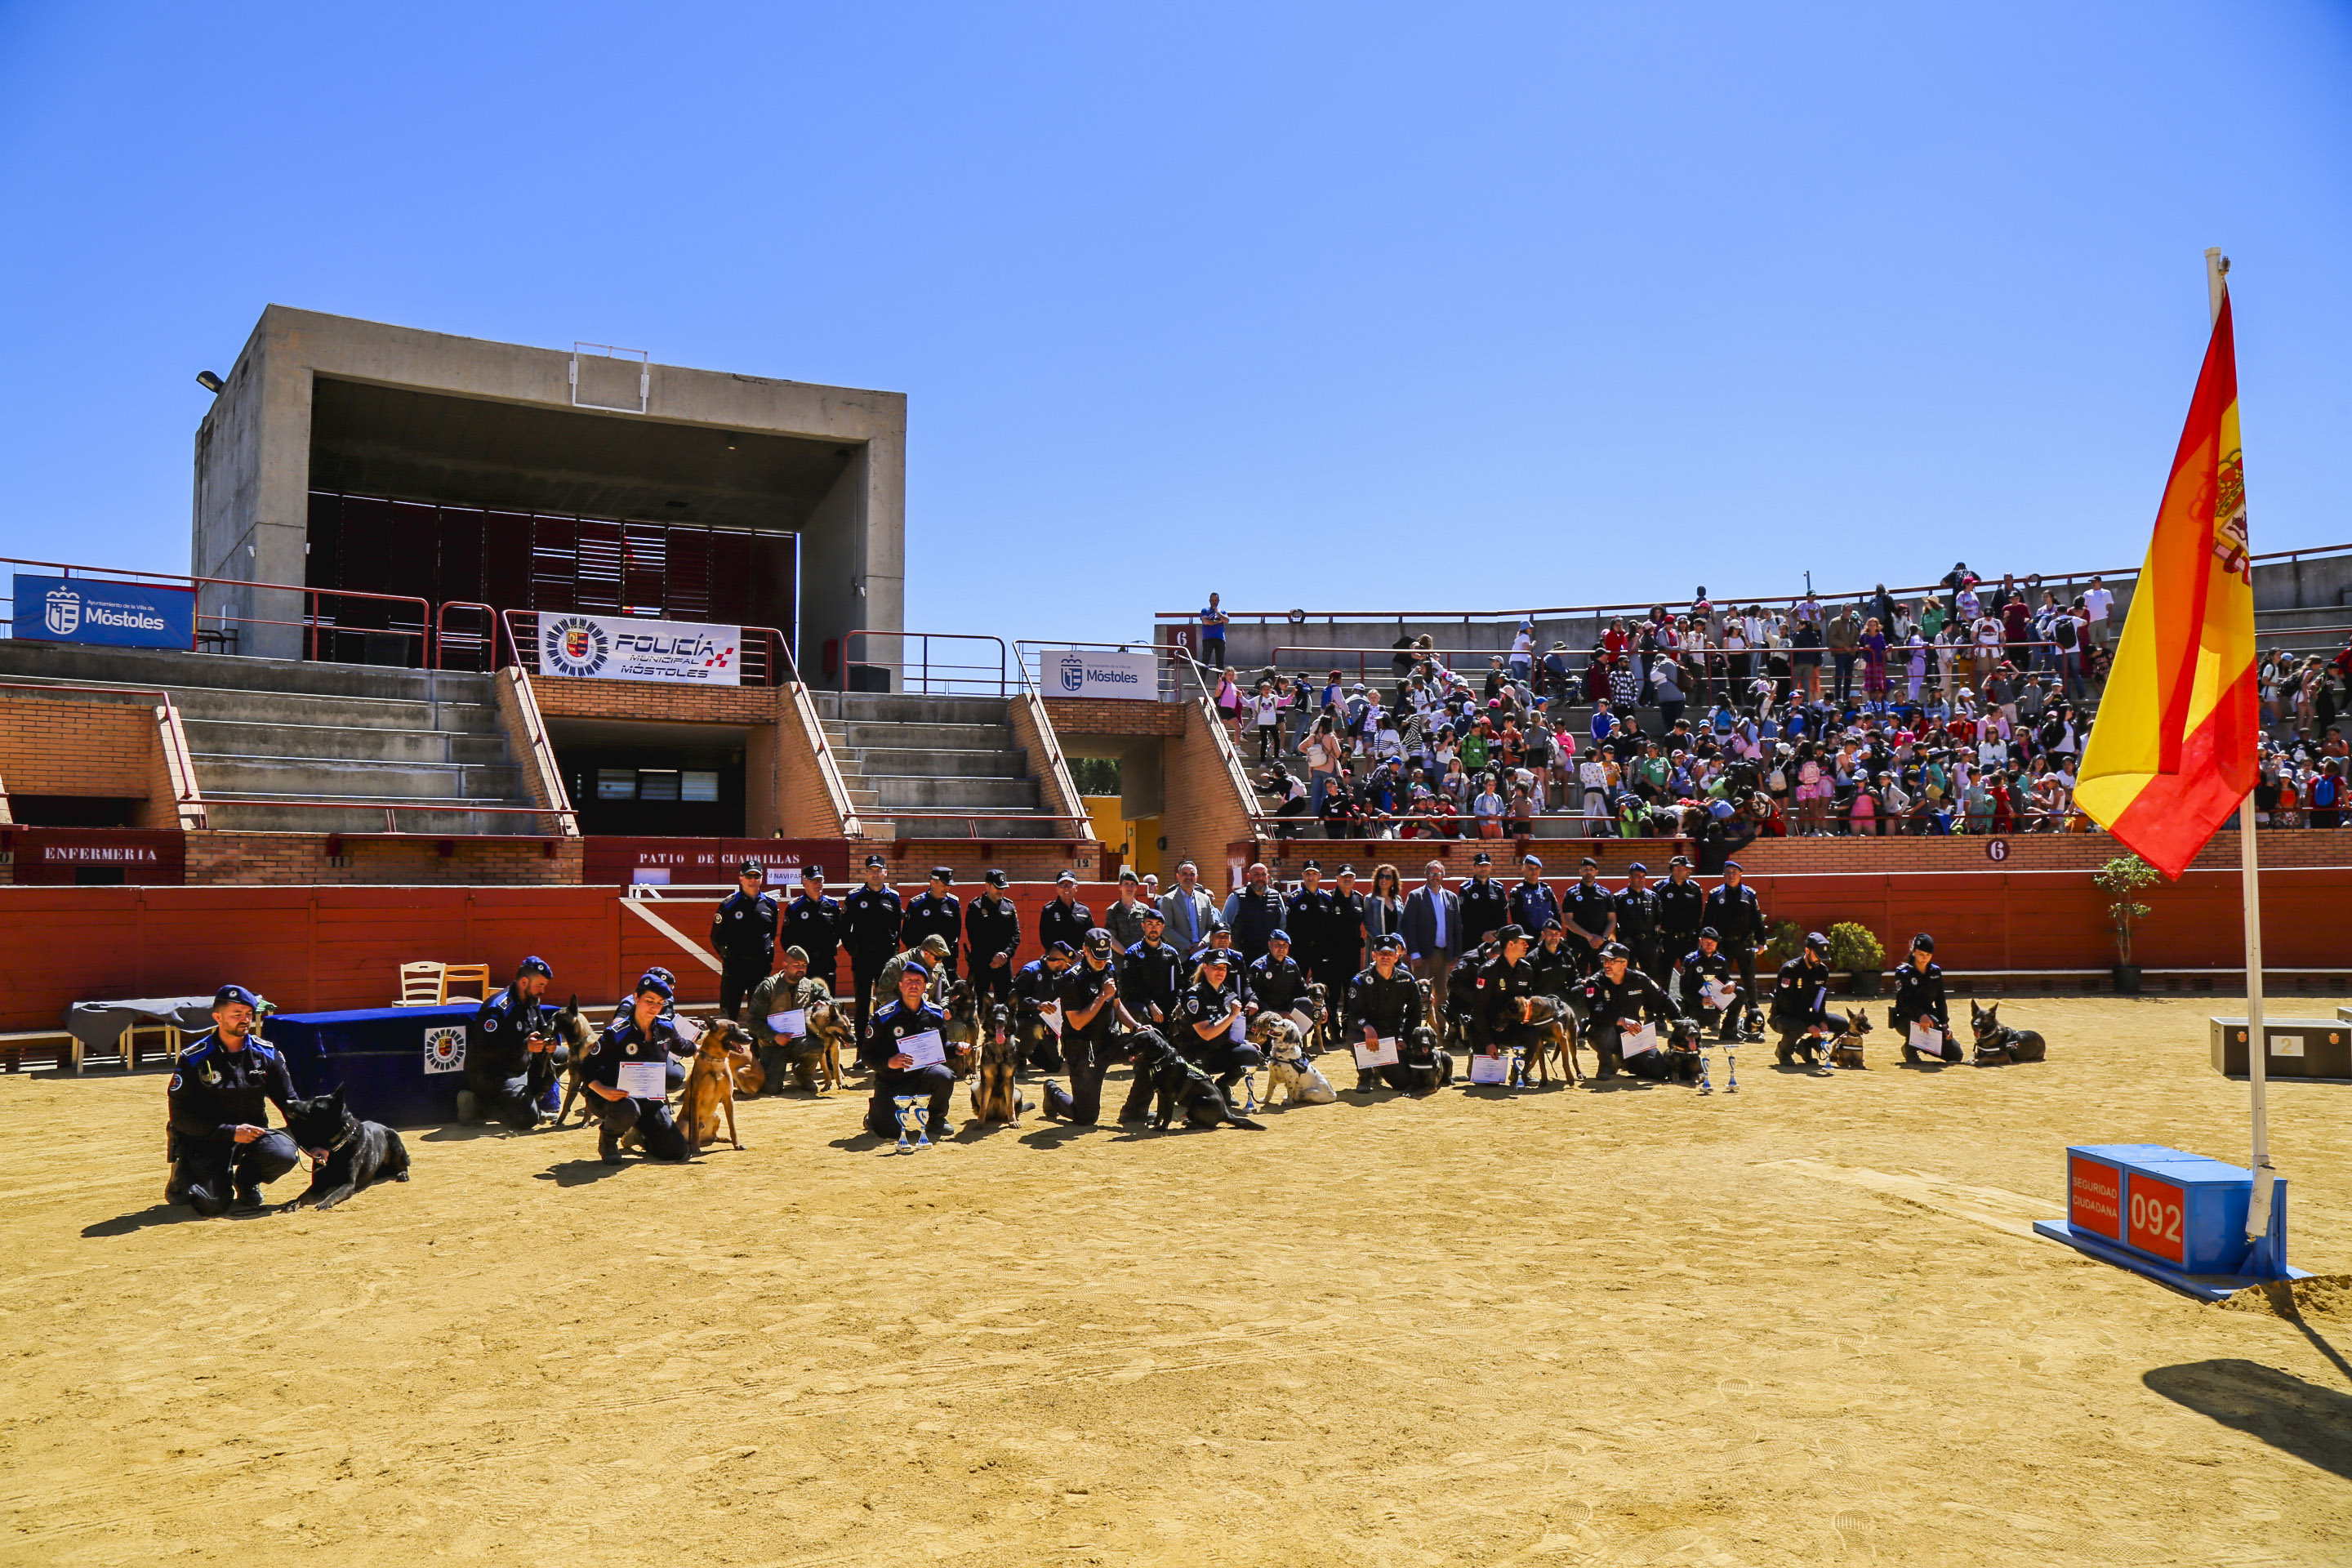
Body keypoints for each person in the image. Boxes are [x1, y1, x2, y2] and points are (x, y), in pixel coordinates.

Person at [166, 984, 302, 1214]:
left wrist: (315, 1142)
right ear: (218, 1017)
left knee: (283, 1153)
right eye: (237, 1014)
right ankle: (184, 1172)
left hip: (251, 1135)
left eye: (248, 1014)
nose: (245, 1019)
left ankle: (247, 1182)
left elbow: (290, 1102)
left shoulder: (266, 1053)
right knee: (211, 1205)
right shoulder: (194, 1058)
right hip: (207, 1137)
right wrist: (230, 1131)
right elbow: (180, 1117)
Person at [583, 973, 693, 1164]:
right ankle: (608, 1140)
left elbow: (684, 1046)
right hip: (614, 1099)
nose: (654, 1007)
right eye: (649, 1000)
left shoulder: (666, 1028)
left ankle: (639, 1136)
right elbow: (586, 1066)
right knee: (628, 1108)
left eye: (660, 1003)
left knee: (676, 1151)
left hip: (648, 1099)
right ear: (636, 997)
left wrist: (709, 1045)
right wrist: (602, 1090)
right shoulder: (617, 1033)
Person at [1041, 929, 1136, 1125]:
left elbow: (1117, 1005)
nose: (1101, 962)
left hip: (1111, 1041)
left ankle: (1136, 1110)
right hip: (1084, 1050)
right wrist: (1102, 996)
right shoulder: (1072, 979)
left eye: (1104, 957)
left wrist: (1136, 1027)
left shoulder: (1109, 969)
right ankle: (1052, 1093)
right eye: (1097, 957)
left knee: (1150, 1046)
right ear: (1085, 950)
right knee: (1086, 1117)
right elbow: (1077, 1022)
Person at [464, 956, 566, 1129]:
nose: (542, 990)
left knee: (564, 1056)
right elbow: (486, 1049)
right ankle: (476, 1105)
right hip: (493, 1073)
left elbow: (541, 1029)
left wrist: (548, 1042)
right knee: (527, 1120)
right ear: (524, 982)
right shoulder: (498, 1008)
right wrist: (524, 1046)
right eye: (540, 985)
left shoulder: (532, 1000)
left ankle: (531, 1100)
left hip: (519, 1065)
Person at [860, 960, 957, 1142]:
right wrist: (889, 1062)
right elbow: (866, 1056)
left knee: (944, 1075)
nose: (913, 985)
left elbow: (941, 1049)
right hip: (892, 1081)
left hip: (923, 1077)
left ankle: (936, 1118)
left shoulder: (935, 1014)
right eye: (909, 981)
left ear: (925, 986)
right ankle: (876, 1112)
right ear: (900, 986)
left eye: (918, 981)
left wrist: (957, 1048)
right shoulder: (884, 1017)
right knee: (888, 1132)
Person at [1581, 942, 1690, 1080]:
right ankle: (1606, 1063)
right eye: (1605, 960)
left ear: (1624, 963)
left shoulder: (1639, 979)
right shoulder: (1595, 982)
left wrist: (1680, 1021)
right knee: (1603, 1031)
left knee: (1659, 1070)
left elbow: (1663, 999)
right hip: (1606, 1034)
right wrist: (1621, 1020)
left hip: (1632, 1035)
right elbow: (1596, 1011)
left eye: (1612, 961)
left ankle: (1625, 1061)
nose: (1607, 964)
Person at [1348, 934, 1441, 1092]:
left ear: (1397, 957)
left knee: (1403, 1083)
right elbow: (1354, 1015)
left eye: (1390, 954)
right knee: (1353, 1035)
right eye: (1381, 953)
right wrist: (1367, 1028)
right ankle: (1365, 1075)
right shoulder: (1360, 981)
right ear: (1374, 956)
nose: (1385, 957)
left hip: (1393, 1036)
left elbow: (1414, 1014)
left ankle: (1380, 1068)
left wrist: (1404, 1038)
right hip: (1369, 1033)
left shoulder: (1407, 980)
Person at [1172, 950, 1263, 1095]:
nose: (1220, 971)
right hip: (1195, 1054)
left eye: (1224, 968)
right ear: (1205, 967)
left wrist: (1244, 1043)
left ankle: (1222, 1087)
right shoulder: (1193, 996)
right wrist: (1232, 1015)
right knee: (1200, 1098)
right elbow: (1206, 1034)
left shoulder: (1228, 993)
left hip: (1219, 1050)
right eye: (1216, 967)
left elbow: (1231, 1028)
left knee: (1250, 1054)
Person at [748, 946, 833, 1093]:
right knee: (771, 1089)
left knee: (816, 1047)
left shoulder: (809, 986)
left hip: (800, 1040)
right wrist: (775, 1036)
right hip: (773, 1043)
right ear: (785, 965)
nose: (801, 969)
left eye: (804, 965)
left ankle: (803, 1075)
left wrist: (826, 1004)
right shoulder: (768, 987)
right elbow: (753, 1022)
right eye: (796, 965)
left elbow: (833, 1002)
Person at [841, 854, 903, 1045]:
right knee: (862, 1002)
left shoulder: (893, 897)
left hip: (886, 960)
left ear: (885, 873)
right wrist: (853, 950)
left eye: (878, 870)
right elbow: (844, 928)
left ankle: (886, 1043)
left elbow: (897, 929)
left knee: (887, 1000)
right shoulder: (854, 897)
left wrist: (893, 953)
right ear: (866, 873)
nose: (875, 874)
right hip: (863, 959)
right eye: (871, 870)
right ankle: (862, 1046)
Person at [1703, 861, 1765, 1037]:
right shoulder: (1716, 894)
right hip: (1722, 945)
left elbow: (1757, 920)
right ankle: (1715, 1017)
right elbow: (1707, 921)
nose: (1731, 875)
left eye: (1734, 872)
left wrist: (1761, 942)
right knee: (1719, 981)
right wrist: (1706, 942)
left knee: (1749, 980)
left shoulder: (1749, 894)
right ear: (1723, 875)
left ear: (1740, 874)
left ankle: (1753, 1017)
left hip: (1744, 944)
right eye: (1728, 872)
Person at [1472, 924, 1542, 1067]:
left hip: (1511, 1026)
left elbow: (1528, 1002)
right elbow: (1478, 1010)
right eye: (1523, 942)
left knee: (1533, 1034)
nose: (1527, 946)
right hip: (1488, 1026)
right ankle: (1475, 1054)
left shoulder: (1526, 970)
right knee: (1486, 1078)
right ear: (1511, 944)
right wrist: (1488, 1042)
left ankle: (1520, 1072)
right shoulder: (1488, 971)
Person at [1769, 932, 1839, 1066]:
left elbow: (1820, 999)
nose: (1820, 960)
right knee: (1798, 1026)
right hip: (1784, 1016)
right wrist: (1809, 1025)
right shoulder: (1790, 970)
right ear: (1807, 950)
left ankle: (1806, 1046)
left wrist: (1822, 1020)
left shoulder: (1822, 971)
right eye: (1818, 956)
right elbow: (1786, 1005)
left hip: (1807, 1015)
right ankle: (1784, 1052)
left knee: (1841, 1024)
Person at [1891, 933, 1958, 1062]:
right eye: (1921, 954)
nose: (1924, 958)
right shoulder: (1903, 972)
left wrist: (1945, 1025)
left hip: (1931, 1020)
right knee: (1925, 1021)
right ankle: (1910, 1049)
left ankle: (1922, 1044)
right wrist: (1921, 1015)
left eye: (1928, 955)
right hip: (1906, 1018)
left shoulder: (1935, 972)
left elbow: (1940, 999)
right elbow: (1905, 1001)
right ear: (1914, 952)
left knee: (1955, 1055)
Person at [1011, 942, 1075, 1071]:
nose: (1066, 967)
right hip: (1022, 1021)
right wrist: (1037, 1005)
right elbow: (1012, 1000)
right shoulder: (1031, 971)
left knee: (1054, 1066)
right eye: (1066, 963)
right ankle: (1020, 1057)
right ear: (1059, 962)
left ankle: (1028, 1049)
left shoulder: (1058, 975)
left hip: (1046, 1024)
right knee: (1035, 1028)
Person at [1401, 858, 1463, 992]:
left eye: (1438, 874)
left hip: (1445, 954)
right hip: (1423, 955)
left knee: (1442, 993)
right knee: (1421, 992)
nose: (1435, 877)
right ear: (1426, 875)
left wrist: (1456, 954)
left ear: (1443, 875)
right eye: (1432, 874)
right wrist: (1414, 952)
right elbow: (1409, 926)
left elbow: (1457, 928)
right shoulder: (1416, 896)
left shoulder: (1451, 897)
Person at [1671, 927, 1743, 1041]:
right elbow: (1684, 990)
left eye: (1712, 943)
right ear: (1701, 941)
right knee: (1708, 1017)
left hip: (1715, 1000)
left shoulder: (1720, 960)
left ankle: (1728, 1031)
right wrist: (1700, 1000)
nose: (1709, 945)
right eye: (1706, 942)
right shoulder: (1691, 960)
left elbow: (1726, 978)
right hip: (1696, 1004)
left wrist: (1731, 983)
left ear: (1717, 944)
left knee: (1739, 992)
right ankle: (1693, 1030)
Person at [782, 864, 844, 996]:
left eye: (820, 880)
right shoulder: (795, 907)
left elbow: (840, 932)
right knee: (802, 1001)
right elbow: (786, 939)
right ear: (804, 883)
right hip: (803, 964)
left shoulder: (832, 905)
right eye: (814, 880)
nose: (818, 884)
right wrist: (796, 961)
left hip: (826, 962)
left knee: (827, 1001)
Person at [1245, 928, 1318, 1036]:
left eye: (1285, 945)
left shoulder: (1292, 965)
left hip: (1288, 1010)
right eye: (1277, 944)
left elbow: (1304, 989)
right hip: (1266, 1012)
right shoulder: (1258, 967)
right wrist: (1277, 1014)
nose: (1281, 948)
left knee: (1305, 1002)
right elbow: (1254, 997)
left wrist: (1321, 1006)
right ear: (1270, 945)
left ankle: (1295, 1038)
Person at [964, 868, 1021, 1002]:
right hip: (982, 961)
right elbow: (975, 937)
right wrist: (993, 956)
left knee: (1005, 1003)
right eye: (997, 887)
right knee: (980, 1001)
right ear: (987, 885)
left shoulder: (1009, 906)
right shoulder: (975, 907)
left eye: (1003, 888)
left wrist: (1006, 954)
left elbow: (1016, 934)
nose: (1001, 891)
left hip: (1004, 963)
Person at [1120, 908, 1185, 1027]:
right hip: (1142, 1003)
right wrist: (1150, 1004)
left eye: (1158, 924)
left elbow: (1179, 984)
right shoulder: (1133, 953)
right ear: (1143, 926)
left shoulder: (1171, 954)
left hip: (1165, 1003)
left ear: (1163, 927)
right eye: (1150, 924)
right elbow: (1129, 986)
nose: (1154, 928)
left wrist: (1178, 1005)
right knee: (1141, 1012)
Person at [901, 866, 963, 982]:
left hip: (946, 960)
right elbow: (907, 935)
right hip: (922, 960)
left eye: (949, 885)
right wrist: (921, 955)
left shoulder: (953, 904)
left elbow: (956, 933)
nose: (947, 889)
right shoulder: (917, 904)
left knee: (947, 990)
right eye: (944, 885)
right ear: (933, 883)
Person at [1221, 861, 1286, 965]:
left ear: (1268, 877)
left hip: (1270, 957)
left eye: (1263, 874)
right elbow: (1225, 925)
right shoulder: (1237, 897)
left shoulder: (1276, 897)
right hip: (1243, 957)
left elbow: (1282, 925)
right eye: (1256, 874)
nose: (1260, 878)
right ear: (1249, 877)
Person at [1563, 857, 1616, 973]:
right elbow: (1567, 921)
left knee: (1602, 978)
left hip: (1601, 945)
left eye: (1591, 869)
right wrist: (1589, 937)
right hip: (1578, 944)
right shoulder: (1571, 893)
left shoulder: (1606, 894)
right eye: (1585, 869)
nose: (1588, 872)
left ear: (1596, 872)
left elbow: (1612, 920)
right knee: (1577, 978)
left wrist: (1603, 938)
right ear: (1580, 871)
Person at [1159, 858, 1219, 951]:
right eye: (1185, 874)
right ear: (1178, 877)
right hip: (1180, 954)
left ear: (1197, 877)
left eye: (1192, 874)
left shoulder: (1205, 899)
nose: (1189, 877)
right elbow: (1166, 929)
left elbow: (1212, 927)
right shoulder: (1168, 900)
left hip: (1202, 952)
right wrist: (1188, 946)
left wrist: (1203, 943)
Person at [1655, 854, 1704, 966]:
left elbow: (1699, 914)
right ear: (1676, 869)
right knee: (1663, 973)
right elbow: (1655, 915)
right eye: (1686, 868)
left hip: (1689, 940)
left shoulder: (1694, 888)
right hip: (1667, 939)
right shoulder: (1660, 888)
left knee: (1692, 973)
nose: (1689, 871)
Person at [1459, 849, 1510, 945]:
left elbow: (1503, 915)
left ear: (1491, 867)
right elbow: (1464, 917)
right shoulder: (1466, 889)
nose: (1483, 868)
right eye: (1480, 866)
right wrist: (1481, 935)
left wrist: (1497, 935)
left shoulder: (1498, 888)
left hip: (1495, 939)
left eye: (1486, 865)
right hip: (1473, 940)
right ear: (1474, 867)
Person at [1038, 870, 1094, 956]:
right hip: (1057, 959)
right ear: (1057, 888)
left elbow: (1091, 937)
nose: (1066, 888)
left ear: (1076, 887)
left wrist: (1081, 954)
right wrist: (1069, 955)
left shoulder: (1084, 911)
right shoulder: (1049, 910)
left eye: (1070, 884)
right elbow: (1046, 941)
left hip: (1080, 959)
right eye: (1062, 884)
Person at [1508, 854, 1559, 936]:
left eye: (1537, 868)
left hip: (1549, 936)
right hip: (1529, 938)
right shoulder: (1517, 892)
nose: (1534, 871)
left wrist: (1553, 933)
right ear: (1523, 870)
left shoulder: (1547, 889)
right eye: (1530, 869)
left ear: (1540, 870)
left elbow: (1557, 913)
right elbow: (1518, 919)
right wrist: (1537, 936)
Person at [1105, 868, 1156, 951]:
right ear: (1120, 887)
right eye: (1126, 884)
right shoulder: (1113, 910)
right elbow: (1111, 938)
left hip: (1141, 955)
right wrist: (1127, 954)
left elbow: (1149, 934)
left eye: (1133, 884)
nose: (1130, 887)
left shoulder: (1145, 909)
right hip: (1121, 956)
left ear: (1136, 887)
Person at [1198, 592, 1228, 670]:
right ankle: (1202, 677)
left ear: (1218, 601)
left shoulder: (1222, 612)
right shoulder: (1205, 610)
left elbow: (1226, 620)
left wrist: (1217, 612)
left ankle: (1220, 678)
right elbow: (1206, 622)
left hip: (1220, 639)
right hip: (1208, 638)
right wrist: (1219, 621)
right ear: (1210, 601)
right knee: (1205, 660)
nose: (1214, 602)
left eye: (1216, 600)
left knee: (1220, 662)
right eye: (1212, 600)